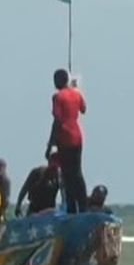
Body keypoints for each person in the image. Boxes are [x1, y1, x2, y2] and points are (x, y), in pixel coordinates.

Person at [46, 69, 88, 214]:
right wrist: (75, 89)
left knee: (67, 174)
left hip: (64, 138)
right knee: (77, 172)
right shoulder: (76, 94)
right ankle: (83, 206)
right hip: (77, 137)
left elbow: (57, 120)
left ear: (59, 81)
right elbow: (83, 109)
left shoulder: (57, 97)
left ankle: (71, 207)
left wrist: (50, 143)